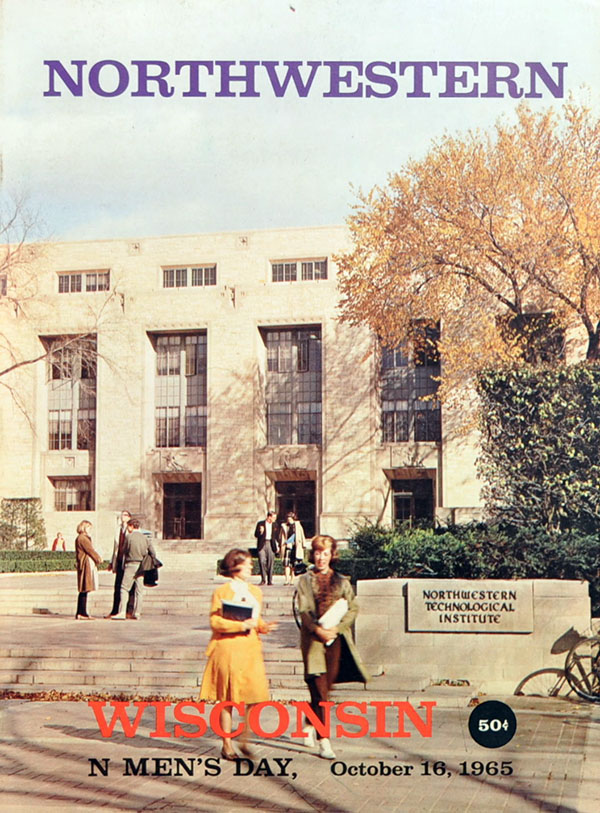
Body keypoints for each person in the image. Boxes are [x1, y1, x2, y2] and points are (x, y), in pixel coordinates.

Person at [296, 535, 369, 759]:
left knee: (324, 690)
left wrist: (337, 629)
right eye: (317, 553)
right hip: (314, 641)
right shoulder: (305, 581)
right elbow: (304, 610)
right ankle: (324, 740)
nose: (321, 558)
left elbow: (353, 607)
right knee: (320, 690)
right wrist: (318, 630)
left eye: (325, 553)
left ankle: (308, 723)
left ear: (332, 555)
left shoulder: (341, 581)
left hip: (335, 642)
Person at [200, 548, 277, 759]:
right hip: (228, 649)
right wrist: (241, 625)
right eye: (248, 563)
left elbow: (255, 617)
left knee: (255, 695)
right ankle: (227, 744)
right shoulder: (222, 592)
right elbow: (215, 621)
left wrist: (262, 626)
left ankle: (244, 737)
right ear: (235, 566)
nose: (251, 567)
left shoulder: (256, 591)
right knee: (228, 699)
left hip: (250, 649)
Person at [111, 519, 157, 620]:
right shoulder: (145, 538)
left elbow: (124, 550)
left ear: (131, 526)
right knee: (139, 590)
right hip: (141, 565)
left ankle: (122, 612)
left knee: (124, 588)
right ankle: (137, 612)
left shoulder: (129, 537)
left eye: (128, 526)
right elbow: (153, 552)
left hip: (131, 564)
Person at [106, 510, 135, 618]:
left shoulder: (132, 529)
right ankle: (115, 610)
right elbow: (115, 547)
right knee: (117, 587)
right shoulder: (118, 529)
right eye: (122, 515)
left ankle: (129, 611)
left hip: (128, 561)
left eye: (126, 515)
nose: (123, 517)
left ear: (129, 517)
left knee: (130, 587)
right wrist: (111, 562)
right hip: (119, 561)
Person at [74, 521, 103, 620]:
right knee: (84, 588)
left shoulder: (81, 538)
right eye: (89, 528)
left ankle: (81, 612)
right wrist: (98, 558)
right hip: (85, 564)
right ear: (84, 528)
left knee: (84, 588)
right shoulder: (83, 538)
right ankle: (82, 613)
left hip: (84, 564)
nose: (90, 530)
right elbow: (90, 550)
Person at [278, 511, 306, 586]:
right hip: (287, 546)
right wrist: (281, 545)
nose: (289, 520)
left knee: (293, 564)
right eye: (288, 518)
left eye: (290, 519)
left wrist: (303, 544)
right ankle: (286, 579)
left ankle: (292, 580)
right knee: (286, 564)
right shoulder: (284, 526)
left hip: (295, 547)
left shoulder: (297, 525)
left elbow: (302, 535)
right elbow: (281, 537)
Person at [253, 510, 279, 585]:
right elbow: (255, 534)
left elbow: (276, 537)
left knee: (270, 562)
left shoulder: (275, 525)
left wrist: (277, 546)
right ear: (269, 517)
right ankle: (263, 579)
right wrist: (260, 532)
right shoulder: (260, 524)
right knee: (262, 561)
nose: (275, 519)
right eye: (273, 517)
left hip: (271, 544)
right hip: (262, 544)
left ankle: (270, 580)